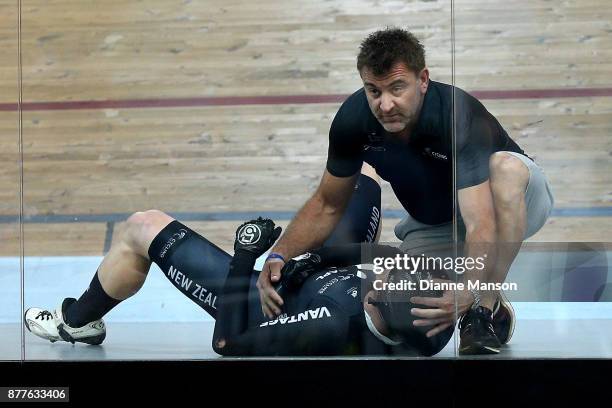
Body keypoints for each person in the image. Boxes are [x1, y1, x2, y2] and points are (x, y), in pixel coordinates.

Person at [257, 27, 555, 354]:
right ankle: (496, 305)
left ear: (423, 80)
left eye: (397, 88)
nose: (385, 105)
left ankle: (482, 309)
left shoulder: (456, 115)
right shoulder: (352, 121)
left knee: (506, 171)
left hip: (511, 202)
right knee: (399, 304)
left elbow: (480, 223)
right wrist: (279, 254)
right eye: (374, 91)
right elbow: (327, 204)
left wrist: (470, 292)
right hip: (436, 224)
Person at [25, 170, 456, 356]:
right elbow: (378, 264)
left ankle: (76, 321)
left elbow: (226, 346)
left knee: (143, 226)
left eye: (390, 274)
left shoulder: (327, 322)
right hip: (318, 275)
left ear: (377, 295)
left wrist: (247, 257)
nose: (390, 265)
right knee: (361, 180)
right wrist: (306, 255)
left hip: (256, 303)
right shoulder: (429, 322)